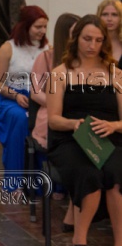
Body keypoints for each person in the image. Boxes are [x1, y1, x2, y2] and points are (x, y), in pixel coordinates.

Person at [48, 14, 122, 246]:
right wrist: (74, 123)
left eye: (99, 40)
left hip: (111, 138)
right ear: (76, 38)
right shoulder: (59, 73)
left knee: (116, 176)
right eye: (87, 39)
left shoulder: (116, 74)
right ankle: (79, 239)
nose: (92, 45)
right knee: (89, 175)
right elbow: (53, 120)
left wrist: (113, 125)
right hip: (71, 139)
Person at [30, 12, 79, 226]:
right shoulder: (46, 58)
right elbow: (35, 91)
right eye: (75, 33)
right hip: (51, 113)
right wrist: (57, 103)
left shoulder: (85, 61)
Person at [0, 5, 48, 190]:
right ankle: (14, 182)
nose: (42, 31)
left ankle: (43, 183)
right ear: (25, 26)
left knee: (48, 120)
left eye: (45, 27)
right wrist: (15, 95)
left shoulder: (47, 49)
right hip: (11, 97)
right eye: (38, 27)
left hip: (38, 96)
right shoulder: (8, 48)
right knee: (20, 118)